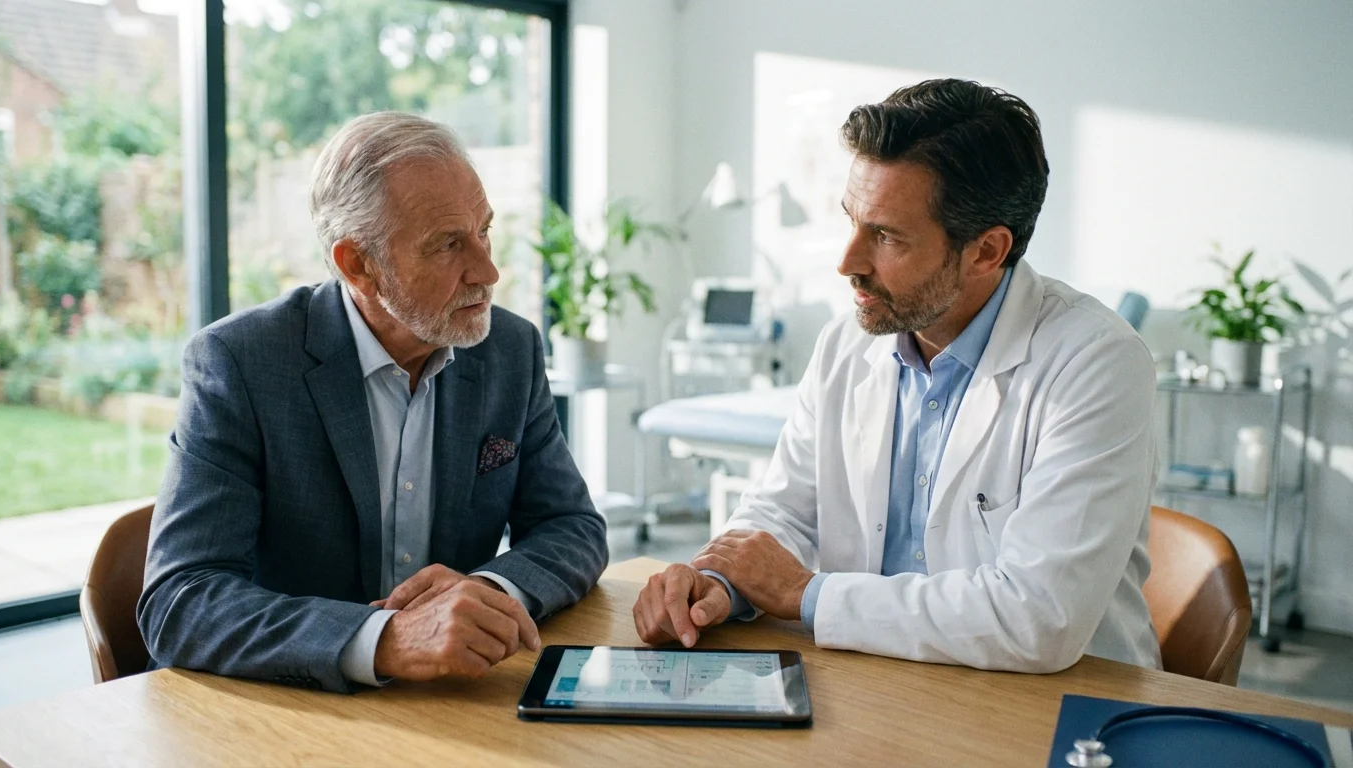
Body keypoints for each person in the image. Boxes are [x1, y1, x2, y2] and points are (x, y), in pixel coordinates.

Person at [633, 79, 1161, 673]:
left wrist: (805, 594)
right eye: (852, 222)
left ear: (986, 251)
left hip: (1051, 709)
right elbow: (786, 513)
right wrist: (717, 585)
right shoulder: (846, 344)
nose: (847, 263)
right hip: (875, 683)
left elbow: (1038, 619)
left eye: (885, 236)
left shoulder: (1096, 363)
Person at [141, 112, 608, 693]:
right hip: (289, 712)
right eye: (447, 244)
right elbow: (180, 600)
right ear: (357, 264)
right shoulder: (239, 362)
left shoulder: (509, 349)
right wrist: (383, 639)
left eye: (484, 231)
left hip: (450, 704)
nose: (488, 270)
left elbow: (572, 526)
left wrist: (488, 591)